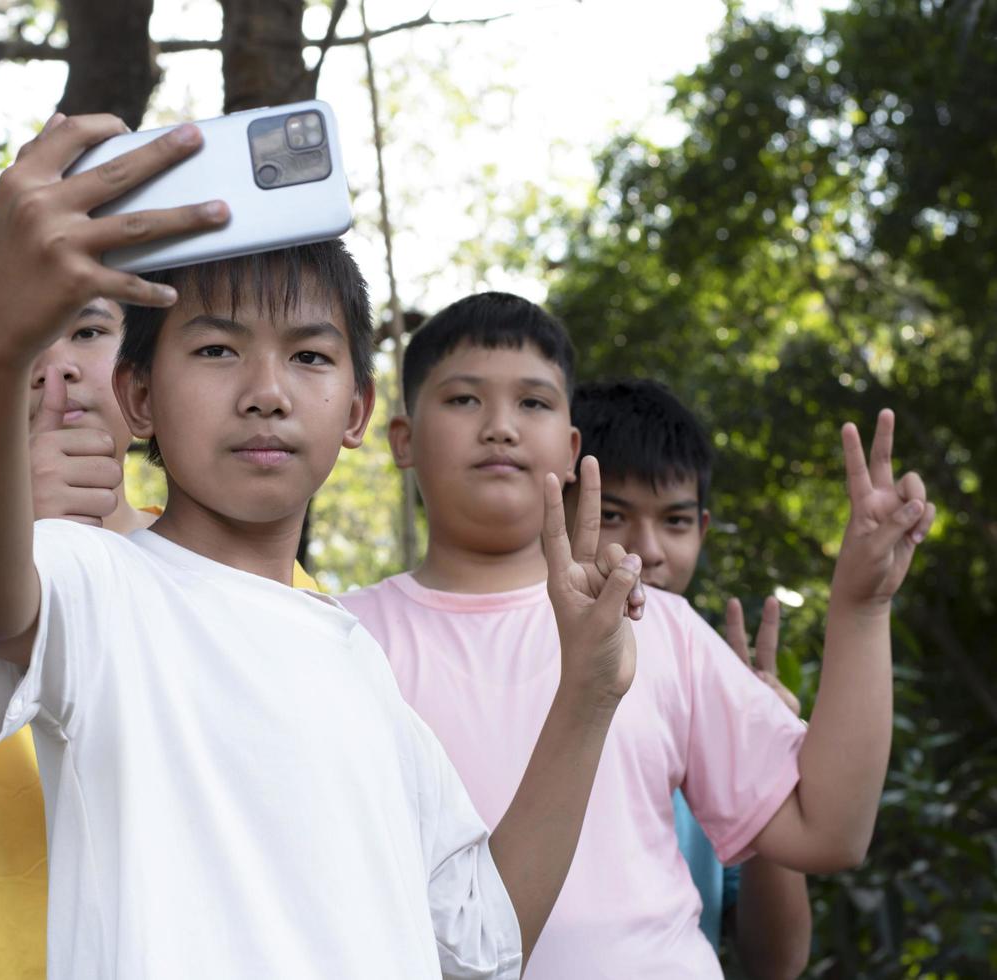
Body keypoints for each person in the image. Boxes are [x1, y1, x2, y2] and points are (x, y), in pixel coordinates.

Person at [0, 111, 646, 978]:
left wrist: (590, 694)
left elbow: (482, 941)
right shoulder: (93, 578)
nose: (266, 392)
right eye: (220, 348)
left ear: (356, 413)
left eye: (309, 357)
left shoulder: (357, 661)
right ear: (139, 396)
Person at [339, 292, 934, 978]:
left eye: (532, 402)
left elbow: (827, 828)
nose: (500, 426)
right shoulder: (346, 640)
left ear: (570, 445)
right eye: (464, 400)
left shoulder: (659, 625)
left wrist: (860, 607)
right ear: (403, 439)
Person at [0, 207, 320, 978]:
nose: (58, 368)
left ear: (142, 371)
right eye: (19, 342)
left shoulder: (248, 568)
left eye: (87, 331)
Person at [571, 378, 811, 978]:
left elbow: (775, 963)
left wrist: (767, 772)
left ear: (702, 529)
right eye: (614, 515)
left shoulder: (708, 685)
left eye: (675, 522)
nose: (647, 550)